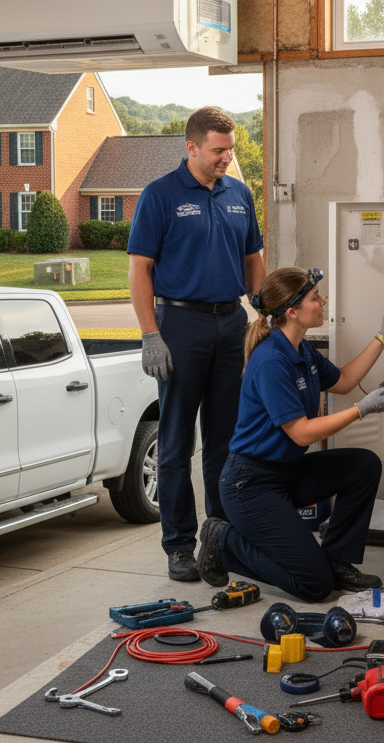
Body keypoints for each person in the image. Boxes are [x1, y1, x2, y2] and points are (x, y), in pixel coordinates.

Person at [195, 266, 384, 601]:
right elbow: (302, 434)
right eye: (314, 298)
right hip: (250, 485)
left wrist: (383, 337)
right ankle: (224, 541)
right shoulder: (271, 361)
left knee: (364, 465)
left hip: (285, 473)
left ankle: (337, 560)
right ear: (292, 312)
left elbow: (344, 381)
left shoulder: (301, 350)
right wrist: (362, 410)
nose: (323, 302)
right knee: (314, 586)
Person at [128, 106, 265, 582]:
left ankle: (221, 539)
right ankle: (180, 546)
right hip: (179, 327)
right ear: (191, 147)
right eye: (218, 150)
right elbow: (139, 269)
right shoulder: (160, 195)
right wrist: (151, 334)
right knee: (175, 444)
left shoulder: (239, 194)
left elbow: (253, 258)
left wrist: (262, 312)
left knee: (226, 443)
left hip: (230, 324)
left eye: (230, 149)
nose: (227, 157)